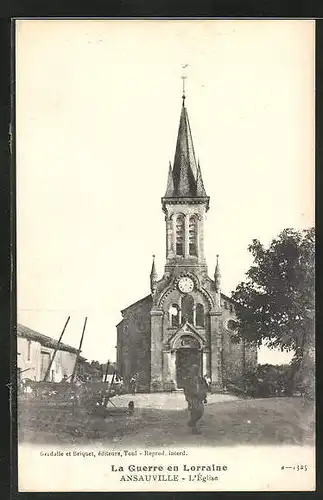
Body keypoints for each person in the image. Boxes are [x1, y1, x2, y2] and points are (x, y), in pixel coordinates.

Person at [183, 364, 208, 434]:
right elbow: (186, 389)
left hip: (199, 398)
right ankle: (194, 429)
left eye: (196, 370)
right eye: (193, 370)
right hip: (192, 398)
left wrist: (205, 397)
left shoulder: (201, 379)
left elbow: (204, 388)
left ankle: (192, 422)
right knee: (194, 412)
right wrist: (188, 398)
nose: (195, 371)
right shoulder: (188, 379)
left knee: (200, 412)